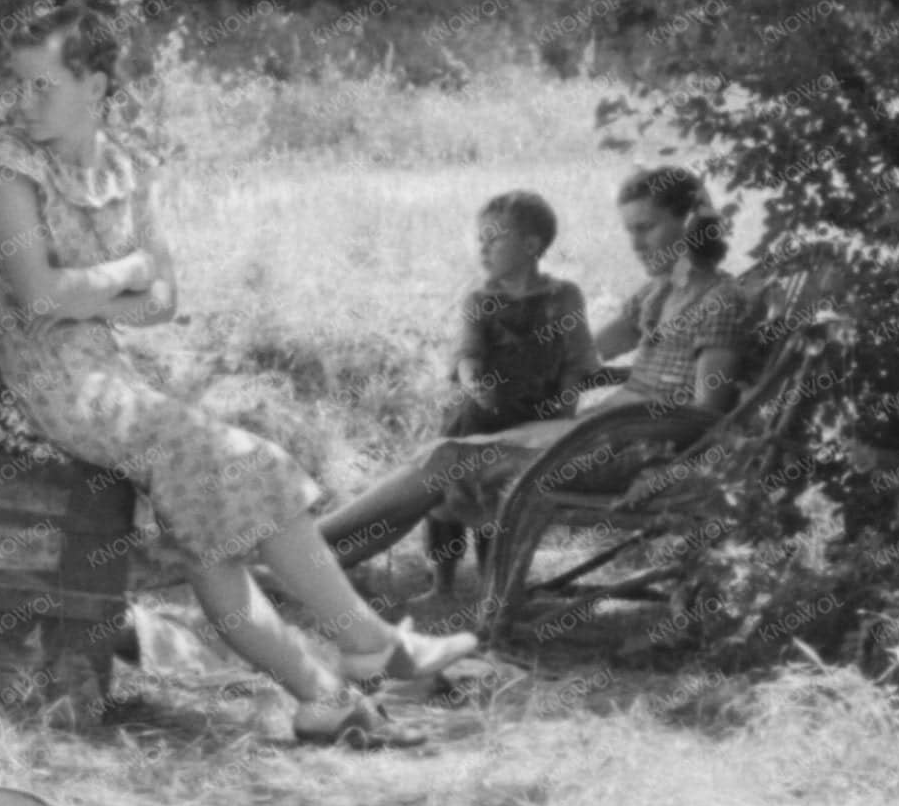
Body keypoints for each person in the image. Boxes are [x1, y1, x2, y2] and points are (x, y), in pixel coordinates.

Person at [0, 4, 483, 744]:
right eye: (19, 84)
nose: (25, 101)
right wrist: (127, 271)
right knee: (253, 462)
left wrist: (101, 290)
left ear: (95, 85)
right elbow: (41, 297)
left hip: (112, 375)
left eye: (43, 85)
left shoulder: (124, 169)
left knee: (208, 540)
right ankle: (369, 642)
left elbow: (164, 302)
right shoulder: (4, 169)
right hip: (53, 384)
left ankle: (323, 699)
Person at [318, 165, 756, 573]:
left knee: (445, 461)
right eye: (630, 231)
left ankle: (303, 553)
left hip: (631, 451)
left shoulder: (719, 300)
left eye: (646, 228)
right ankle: (314, 569)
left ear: (689, 224)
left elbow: (705, 416)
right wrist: (508, 360)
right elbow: (582, 352)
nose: (635, 244)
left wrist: (609, 425)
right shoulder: (662, 290)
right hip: (600, 433)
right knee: (440, 459)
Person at [413, 190, 594, 598]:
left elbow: (577, 360)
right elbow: (467, 352)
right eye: (479, 239)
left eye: (494, 239)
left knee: (501, 497)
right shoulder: (480, 300)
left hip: (534, 418)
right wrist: (472, 381)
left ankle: (493, 581)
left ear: (531, 245)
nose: (483, 248)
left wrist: (566, 412)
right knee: (446, 489)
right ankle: (442, 580)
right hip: (478, 412)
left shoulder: (564, 297)